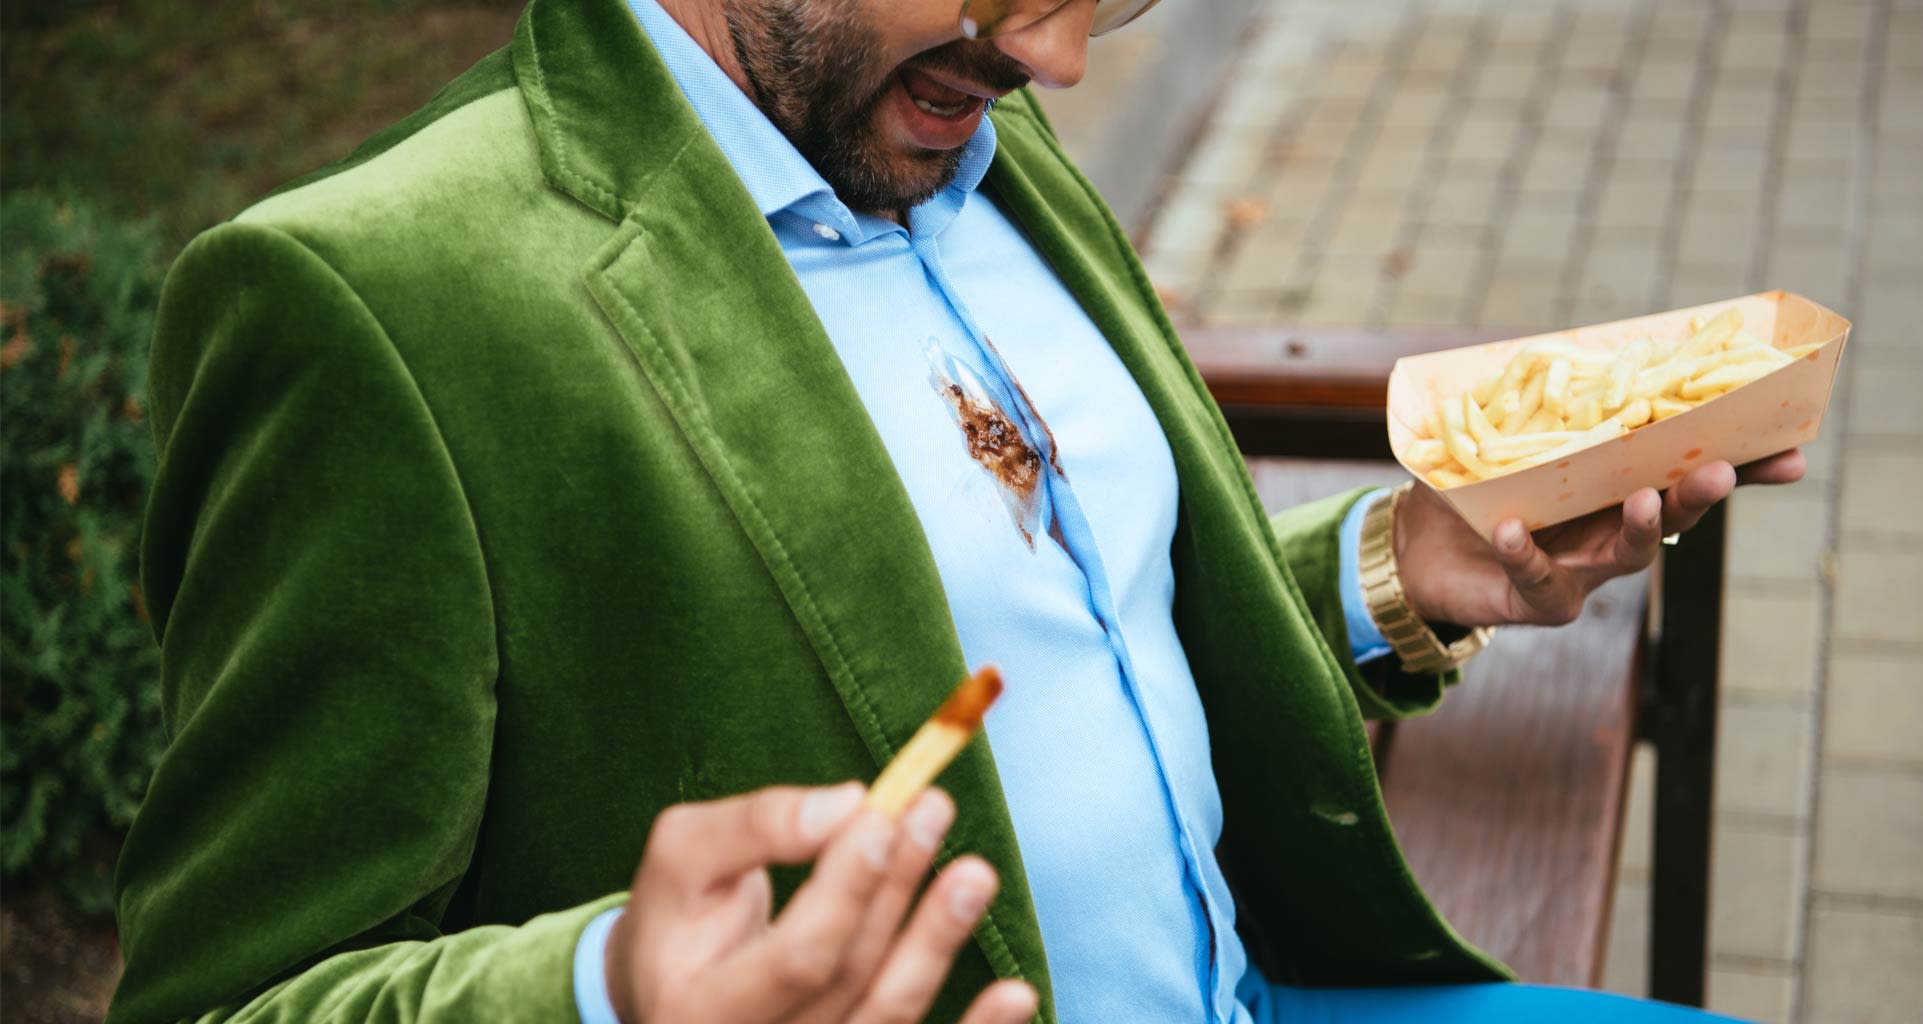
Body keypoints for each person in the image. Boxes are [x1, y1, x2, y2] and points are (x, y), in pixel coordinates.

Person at [107, 0, 1807, 1021]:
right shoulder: (373, 302)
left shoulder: (955, 120)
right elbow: (231, 1000)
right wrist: (608, 991)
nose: (1060, 54)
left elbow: (1073, 647)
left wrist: (1398, 567)